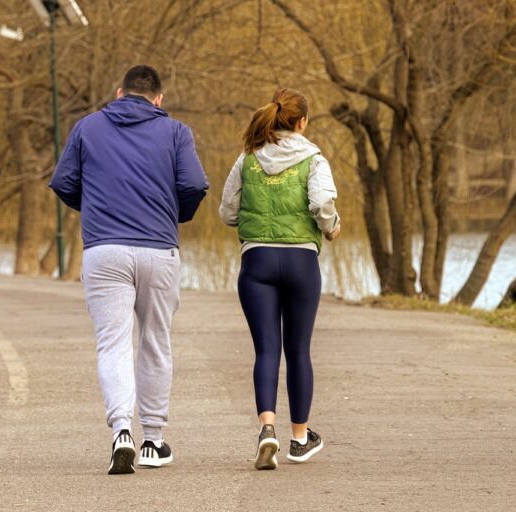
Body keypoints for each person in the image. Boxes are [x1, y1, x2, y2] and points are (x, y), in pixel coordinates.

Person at [49, 64, 209, 475]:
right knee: (155, 342)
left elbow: (64, 182)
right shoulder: (176, 132)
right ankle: (153, 440)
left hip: (105, 252)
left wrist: (100, 208)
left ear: (119, 92)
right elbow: (193, 184)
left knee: (113, 343)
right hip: (158, 250)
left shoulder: (87, 127)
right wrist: (173, 213)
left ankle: (122, 431)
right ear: (159, 98)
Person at [219, 88, 340, 470]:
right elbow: (321, 204)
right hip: (302, 261)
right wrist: (331, 227)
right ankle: (300, 439)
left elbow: (227, 212)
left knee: (266, 350)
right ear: (302, 122)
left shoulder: (247, 159)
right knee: (299, 350)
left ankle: (266, 427)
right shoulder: (314, 159)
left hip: (256, 262)